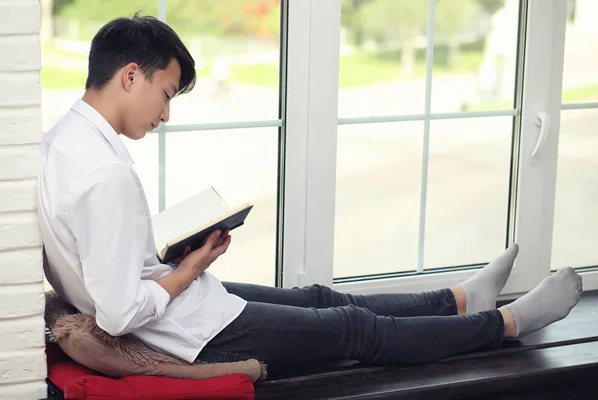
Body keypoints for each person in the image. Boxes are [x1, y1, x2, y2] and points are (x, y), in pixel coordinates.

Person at [37, 14, 583, 372]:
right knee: (354, 330)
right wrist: (192, 265)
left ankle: (461, 300)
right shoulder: (101, 172)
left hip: (181, 305)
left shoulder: (63, 141)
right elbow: (117, 315)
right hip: (189, 334)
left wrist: (174, 256)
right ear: (129, 76)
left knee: (323, 298)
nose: (166, 113)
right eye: (165, 93)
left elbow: (105, 258)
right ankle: (506, 325)